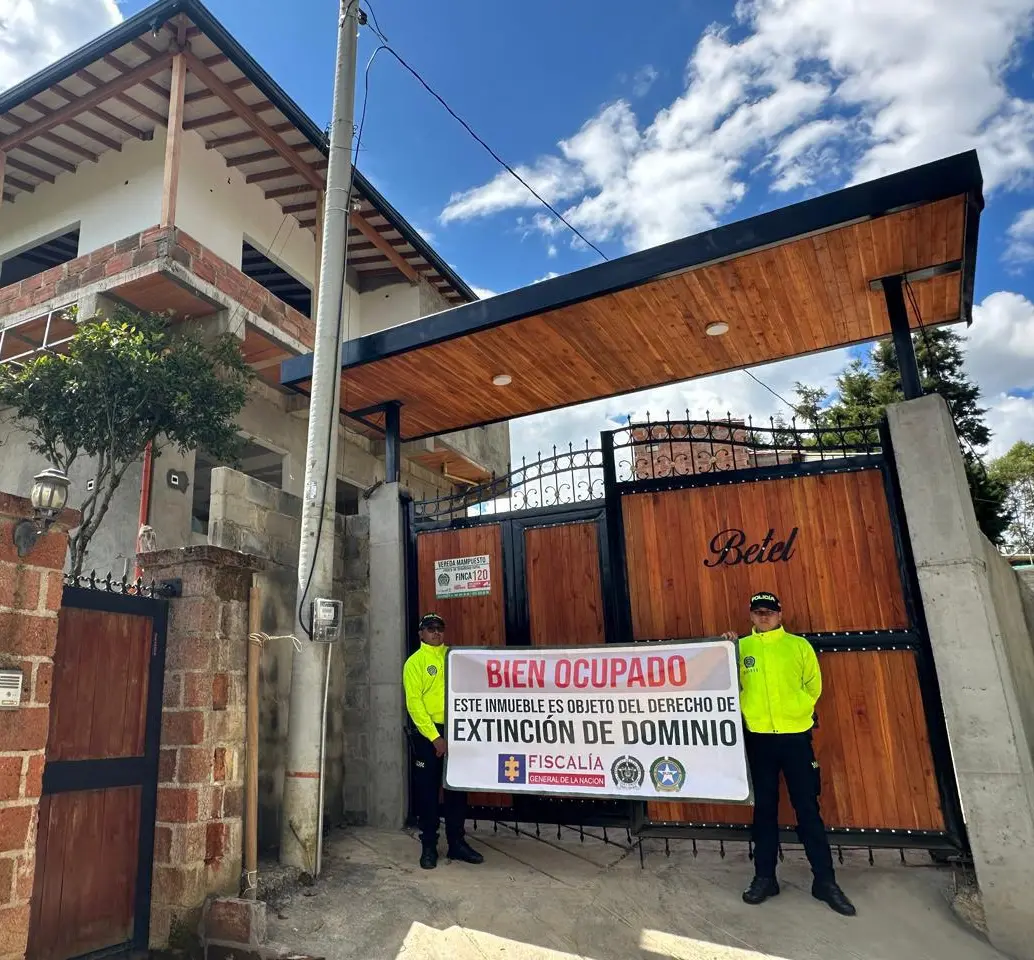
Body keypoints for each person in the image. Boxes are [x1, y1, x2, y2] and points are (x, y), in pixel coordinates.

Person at [721, 592, 856, 916]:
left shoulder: (798, 646)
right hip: (759, 739)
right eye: (758, 612)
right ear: (751, 616)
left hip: (796, 738)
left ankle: (825, 881)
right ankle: (765, 878)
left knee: (807, 808)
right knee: (764, 811)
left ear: (781, 614)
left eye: (769, 611)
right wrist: (726, 646)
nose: (763, 616)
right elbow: (726, 682)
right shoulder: (741, 648)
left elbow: (813, 686)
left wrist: (798, 711)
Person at [403, 612, 484, 870]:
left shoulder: (455, 657)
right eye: (430, 628)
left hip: (457, 728)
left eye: (439, 628)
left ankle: (457, 843)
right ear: (421, 633)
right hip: (429, 735)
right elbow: (414, 705)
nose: (436, 632)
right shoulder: (414, 663)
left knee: (456, 790)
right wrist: (435, 737)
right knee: (427, 793)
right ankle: (428, 845)